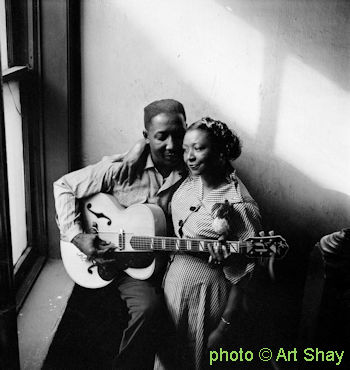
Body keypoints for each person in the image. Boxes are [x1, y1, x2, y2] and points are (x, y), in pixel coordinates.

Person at [53, 99, 187, 369]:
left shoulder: (193, 169)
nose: (172, 145)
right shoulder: (121, 169)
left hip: (168, 262)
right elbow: (64, 186)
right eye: (161, 136)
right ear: (146, 136)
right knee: (149, 309)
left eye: (179, 134)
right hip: (121, 266)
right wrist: (78, 237)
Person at [153, 117, 262, 369]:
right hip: (172, 290)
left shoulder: (239, 206)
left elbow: (245, 278)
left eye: (198, 148)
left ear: (221, 153)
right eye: (186, 148)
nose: (189, 156)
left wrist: (223, 329)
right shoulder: (190, 181)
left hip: (205, 298)